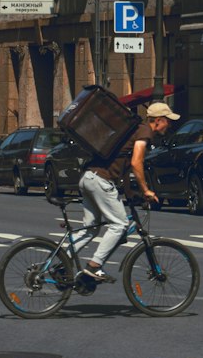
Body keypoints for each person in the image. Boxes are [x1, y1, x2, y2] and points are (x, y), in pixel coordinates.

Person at [76, 100, 178, 281]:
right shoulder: (145, 132)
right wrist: (146, 190)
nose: (169, 125)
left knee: (90, 230)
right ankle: (94, 266)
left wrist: (131, 195)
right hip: (101, 180)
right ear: (159, 120)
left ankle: (60, 260)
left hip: (88, 177)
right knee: (120, 225)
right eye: (168, 120)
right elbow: (135, 162)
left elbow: (123, 165)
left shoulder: (134, 130)